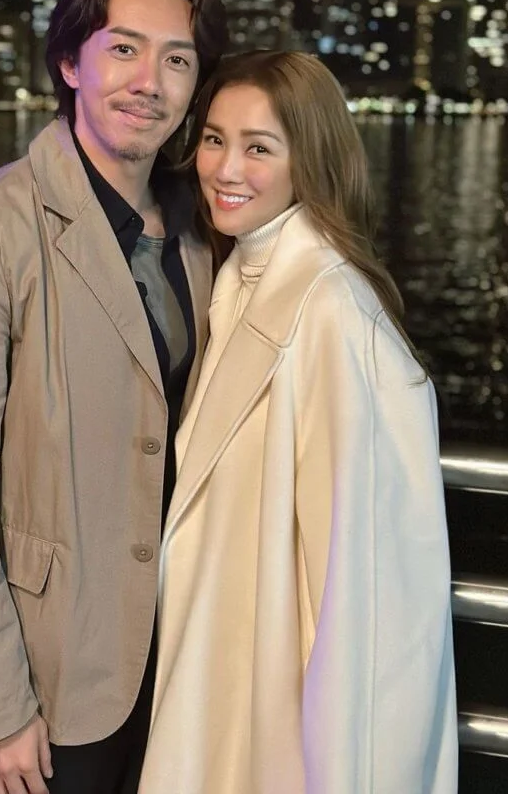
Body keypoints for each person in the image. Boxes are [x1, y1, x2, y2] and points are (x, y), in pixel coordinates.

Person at [0, 0, 228, 794]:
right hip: (49, 681)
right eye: (124, 48)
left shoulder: (196, 237)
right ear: (70, 63)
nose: (148, 81)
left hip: (175, 671)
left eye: (176, 59)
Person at [139, 51, 458, 794]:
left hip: (282, 716)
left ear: (308, 161)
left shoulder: (332, 311)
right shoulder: (239, 279)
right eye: (213, 139)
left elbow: (369, 585)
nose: (224, 169)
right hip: (226, 683)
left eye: (258, 148)